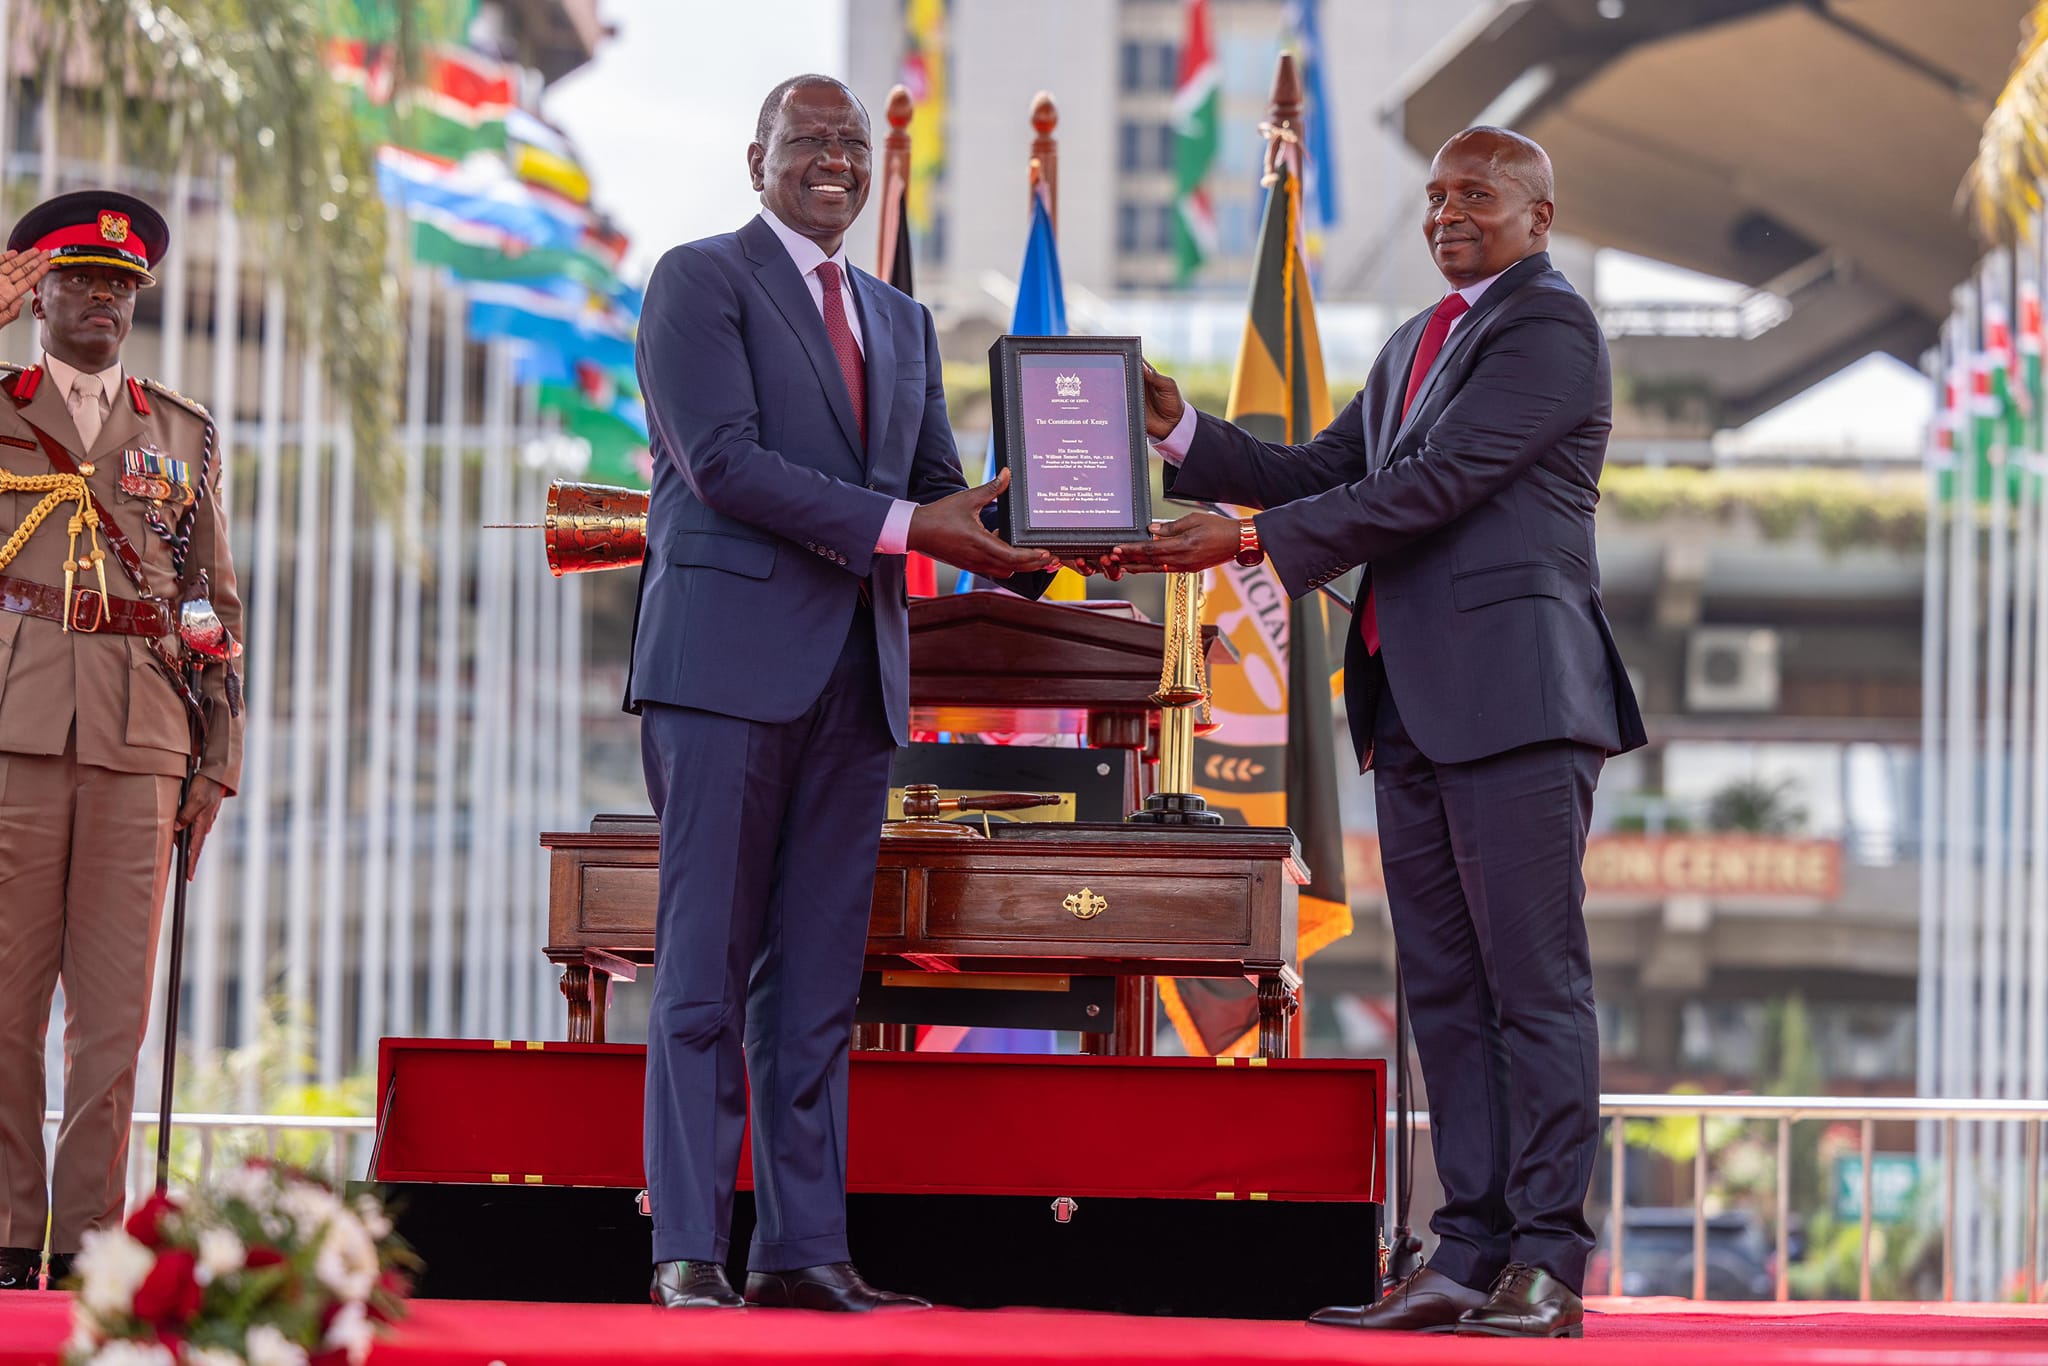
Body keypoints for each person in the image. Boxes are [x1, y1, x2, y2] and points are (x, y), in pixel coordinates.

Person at [1108, 127, 1644, 1339]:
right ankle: (1465, 1253)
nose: (1447, 212)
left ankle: (1547, 1263)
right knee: (1446, 991)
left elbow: (1432, 485)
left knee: (1533, 987)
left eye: (1478, 193)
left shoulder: (1549, 330)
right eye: (1436, 194)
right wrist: (1179, 435)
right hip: (1407, 706)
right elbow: (1314, 469)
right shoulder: (1413, 343)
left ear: (1539, 216)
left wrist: (1245, 543)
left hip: (1516, 701)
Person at [628, 74, 1052, 1312]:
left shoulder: (901, 320)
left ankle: (803, 1251)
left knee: (815, 987)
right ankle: (690, 1252)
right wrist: (913, 523)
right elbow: (723, 465)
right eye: (807, 138)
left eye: (852, 143)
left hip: (857, 680)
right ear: (754, 155)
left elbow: (942, 496)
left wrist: (1061, 528)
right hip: (720, 670)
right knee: (703, 972)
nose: (834, 158)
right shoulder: (696, 281)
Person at [0, 191, 243, 1291]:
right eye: (79, 279)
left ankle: (91, 1242)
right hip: (14, 725)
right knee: (4, 1003)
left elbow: (210, 607)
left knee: (111, 1019)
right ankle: (10, 1237)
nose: (102, 298)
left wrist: (217, 755)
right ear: (35, 291)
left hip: (144, 737)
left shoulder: (179, 430)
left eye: (121, 285)